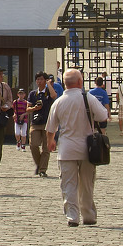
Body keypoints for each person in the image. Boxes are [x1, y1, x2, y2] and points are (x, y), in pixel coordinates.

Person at [46, 68, 108, 227]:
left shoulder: (58, 102)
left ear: (65, 84)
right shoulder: (88, 98)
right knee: (87, 184)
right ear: (80, 82)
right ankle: (88, 215)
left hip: (66, 149)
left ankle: (72, 217)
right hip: (87, 149)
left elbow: (50, 128)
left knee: (68, 184)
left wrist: (50, 142)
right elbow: (103, 116)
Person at [27, 71, 55, 177]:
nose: (39, 81)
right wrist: (34, 108)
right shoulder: (33, 94)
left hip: (47, 123)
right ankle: (39, 164)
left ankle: (43, 170)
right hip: (35, 123)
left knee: (46, 148)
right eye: (37, 79)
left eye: (41, 79)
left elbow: (54, 95)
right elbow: (27, 108)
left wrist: (49, 84)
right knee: (33, 145)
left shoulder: (48, 92)